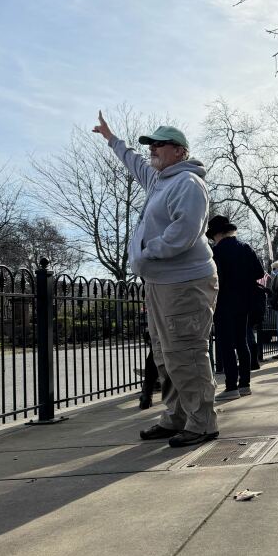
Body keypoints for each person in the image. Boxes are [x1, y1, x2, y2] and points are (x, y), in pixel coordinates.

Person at [93, 112, 219, 447]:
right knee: (164, 355)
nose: (152, 149)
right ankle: (176, 417)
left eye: (159, 145)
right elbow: (132, 162)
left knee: (186, 352)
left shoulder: (188, 184)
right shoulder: (159, 180)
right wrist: (111, 138)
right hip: (161, 284)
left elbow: (184, 233)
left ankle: (202, 422)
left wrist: (148, 251)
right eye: (151, 145)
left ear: (179, 151)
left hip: (185, 283)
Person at [206, 215, 264, 400]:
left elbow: (213, 278)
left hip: (223, 302)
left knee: (226, 344)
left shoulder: (215, 252)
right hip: (244, 302)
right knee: (242, 342)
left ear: (218, 234)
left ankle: (231, 386)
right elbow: (259, 272)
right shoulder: (245, 248)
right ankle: (245, 384)